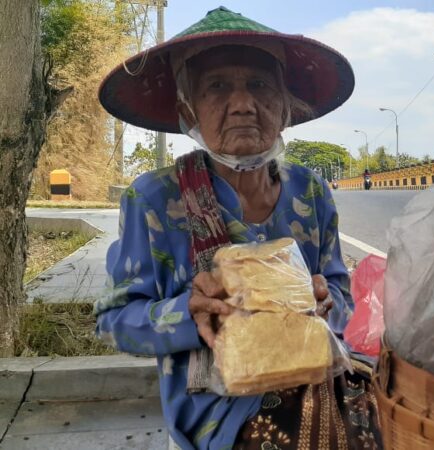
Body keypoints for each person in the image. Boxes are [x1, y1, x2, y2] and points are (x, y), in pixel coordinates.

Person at [95, 7, 380, 449]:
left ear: (285, 108)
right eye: (217, 86)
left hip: (315, 376)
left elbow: (342, 301)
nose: (243, 103)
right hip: (219, 409)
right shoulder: (154, 199)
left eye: (260, 85)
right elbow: (115, 322)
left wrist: (326, 303)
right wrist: (187, 311)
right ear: (187, 108)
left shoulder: (311, 194)